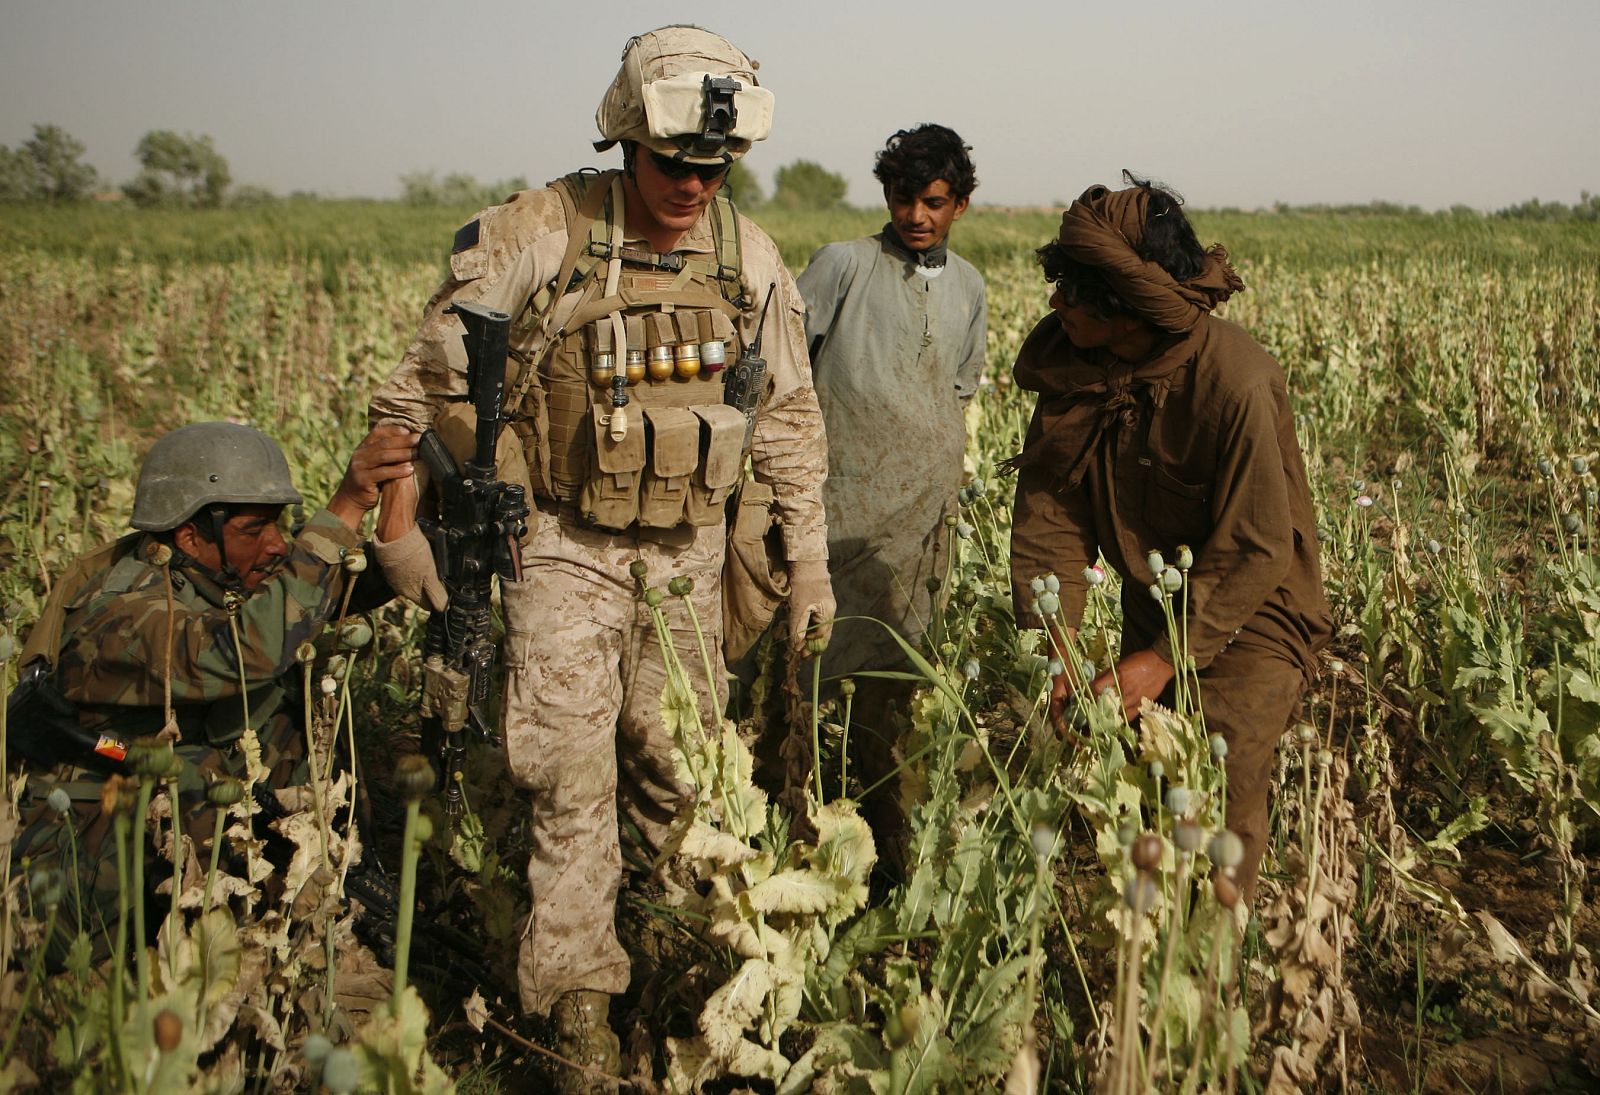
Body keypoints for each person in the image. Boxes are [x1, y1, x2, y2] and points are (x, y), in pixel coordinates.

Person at [367, 25, 834, 1083]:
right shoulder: (542, 232)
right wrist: (397, 535)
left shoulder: (745, 256)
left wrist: (805, 560)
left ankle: (668, 959)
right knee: (567, 781)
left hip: (689, 553)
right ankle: (577, 1005)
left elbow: (793, 419)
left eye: (713, 170)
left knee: (680, 771)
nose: (691, 186)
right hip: (562, 548)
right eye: (673, 165)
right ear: (628, 140)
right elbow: (414, 395)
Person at [1005, 175, 1332, 905]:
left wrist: (1160, 660)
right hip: (1156, 602)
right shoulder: (1077, 365)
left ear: (1131, 307)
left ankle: (1209, 970)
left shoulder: (1236, 382)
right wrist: (1059, 648)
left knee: (1217, 786)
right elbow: (1050, 514)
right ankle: (1147, 969)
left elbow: (1254, 546)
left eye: (1075, 290)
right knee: (1149, 789)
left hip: (1255, 614)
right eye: (1058, 282)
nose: (1056, 303)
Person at [7, 420, 418, 953]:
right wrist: (343, 506)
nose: (276, 544)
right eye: (255, 530)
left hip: (176, 818)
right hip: (91, 863)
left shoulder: (207, 573)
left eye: (280, 525)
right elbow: (250, 649)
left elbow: (310, 594)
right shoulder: (121, 617)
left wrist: (405, 531)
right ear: (189, 535)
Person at [794, 124, 986, 872]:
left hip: (920, 521)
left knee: (893, 687)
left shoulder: (969, 286)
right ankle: (796, 822)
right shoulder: (843, 266)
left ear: (960, 206)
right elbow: (783, 365)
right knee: (806, 674)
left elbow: (961, 385)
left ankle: (883, 840)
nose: (916, 215)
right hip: (836, 509)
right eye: (903, 198)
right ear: (886, 196)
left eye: (933, 202)